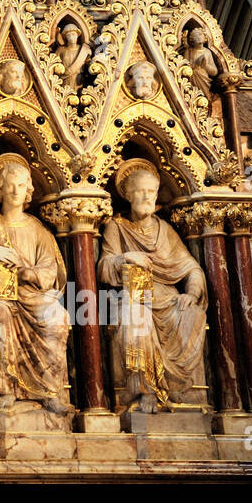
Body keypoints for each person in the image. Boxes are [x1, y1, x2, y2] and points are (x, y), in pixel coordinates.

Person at [98, 159, 207, 413]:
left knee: (193, 313)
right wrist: (125, 258)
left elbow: (193, 269)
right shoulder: (117, 227)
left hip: (167, 299)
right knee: (135, 316)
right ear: (128, 194)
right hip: (133, 296)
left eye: (151, 191)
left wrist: (191, 293)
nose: (147, 196)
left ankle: (181, 394)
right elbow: (103, 267)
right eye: (140, 191)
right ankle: (144, 391)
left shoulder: (165, 230)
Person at [0, 155, 70, 414]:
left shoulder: (37, 228)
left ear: (28, 191)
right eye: (9, 185)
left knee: (57, 316)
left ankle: (50, 390)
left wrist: (26, 273)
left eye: (21, 185)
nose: (15, 191)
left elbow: (51, 269)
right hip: (2, 295)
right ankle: (5, 388)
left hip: (32, 295)